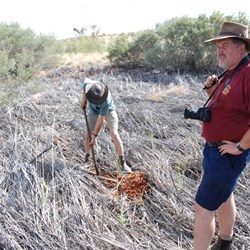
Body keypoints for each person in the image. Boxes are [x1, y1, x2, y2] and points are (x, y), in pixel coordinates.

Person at [193, 22, 250, 250]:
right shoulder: (232, 71)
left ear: (242, 48)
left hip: (227, 155)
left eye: (226, 45)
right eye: (218, 46)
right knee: (225, 196)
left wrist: (241, 146)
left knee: (203, 207)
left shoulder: (247, 73)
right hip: (216, 150)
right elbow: (230, 104)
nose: (220, 50)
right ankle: (226, 241)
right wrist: (211, 91)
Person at [80, 78, 132, 174]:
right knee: (87, 134)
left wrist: (95, 136)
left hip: (108, 111)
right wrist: (84, 98)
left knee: (114, 133)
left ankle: (123, 163)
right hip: (93, 111)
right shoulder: (87, 84)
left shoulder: (106, 100)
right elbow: (84, 86)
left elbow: (100, 120)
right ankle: (87, 160)